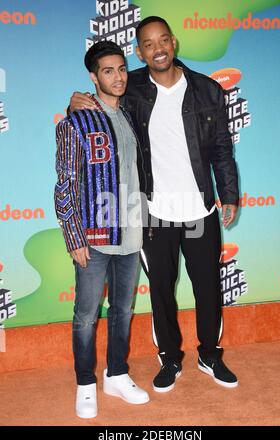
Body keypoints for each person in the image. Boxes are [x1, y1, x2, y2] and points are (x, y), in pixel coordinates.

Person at [69, 16, 240, 393]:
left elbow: (222, 149)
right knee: (161, 290)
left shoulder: (208, 90)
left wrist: (229, 192)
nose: (157, 48)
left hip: (201, 210)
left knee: (208, 288)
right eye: (148, 43)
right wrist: (75, 103)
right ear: (139, 51)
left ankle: (210, 354)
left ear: (173, 42)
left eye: (163, 40)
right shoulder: (131, 92)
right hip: (155, 213)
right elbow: (98, 109)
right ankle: (170, 358)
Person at [55, 40, 149, 419]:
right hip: (93, 238)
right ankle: (85, 383)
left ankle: (117, 374)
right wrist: (74, 237)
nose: (118, 76)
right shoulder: (76, 122)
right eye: (108, 71)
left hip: (131, 232)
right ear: (94, 77)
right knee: (86, 314)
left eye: (122, 68)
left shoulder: (130, 115)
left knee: (123, 310)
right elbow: (65, 183)